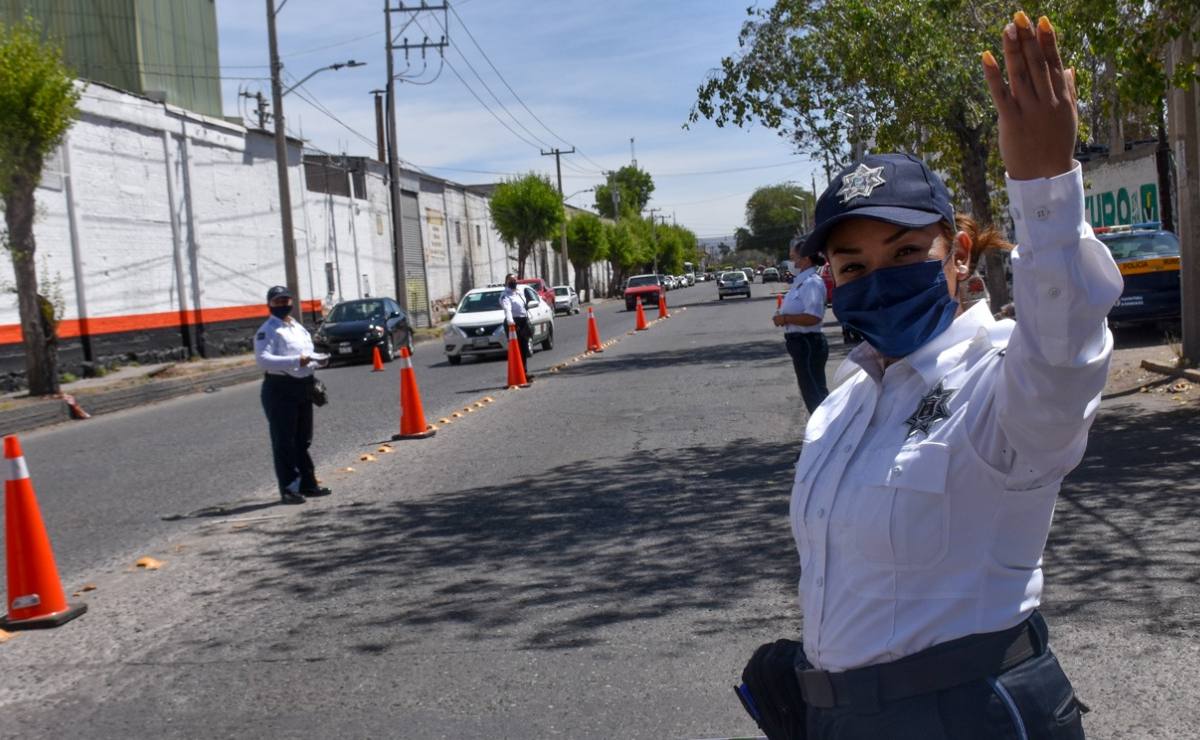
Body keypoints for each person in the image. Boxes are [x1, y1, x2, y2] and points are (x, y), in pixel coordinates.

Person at [737, 13, 1121, 739]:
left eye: (907, 252)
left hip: (972, 716)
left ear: (961, 256)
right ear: (830, 278)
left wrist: (1044, 184)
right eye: (852, 266)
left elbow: (1065, 344)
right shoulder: (842, 409)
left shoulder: (1003, 380)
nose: (876, 278)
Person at [254, 286, 332, 505]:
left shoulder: (297, 327)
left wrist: (319, 360)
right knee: (284, 442)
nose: (283, 305)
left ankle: (308, 484)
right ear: (269, 304)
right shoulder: (267, 330)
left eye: (286, 300)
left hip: (303, 387)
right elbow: (263, 360)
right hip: (280, 388)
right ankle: (289, 488)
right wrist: (296, 361)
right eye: (278, 302)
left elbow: (307, 354)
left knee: (303, 440)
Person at [773, 239, 829, 413]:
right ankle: (825, 430)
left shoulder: (812, 283)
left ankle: (827, 432)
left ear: (805, 259)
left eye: (794, 257)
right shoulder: (802, 281)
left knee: (815, 392)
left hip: (808, 343)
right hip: (801, 343)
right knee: (810, 390)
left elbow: (813, 317)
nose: (792, 261)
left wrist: (786, 318)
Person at [500, 273, 533, 380]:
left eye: (515, 279)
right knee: (516, 348)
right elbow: (507, 309)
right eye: (510, 280)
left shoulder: (519, 293)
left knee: (524, 349)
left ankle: (524, 372)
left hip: (523, 321)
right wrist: (510, 322)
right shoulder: (505, 295)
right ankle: (517, 374)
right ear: (506, 282)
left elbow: (523, 306)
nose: (513, 282)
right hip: (514, 323)